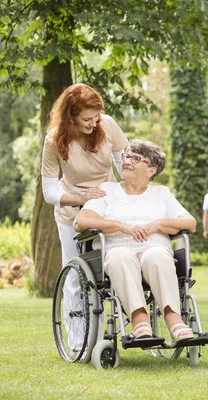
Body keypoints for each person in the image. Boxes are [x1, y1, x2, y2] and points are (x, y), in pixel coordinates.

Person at [74, 140, 196, 344]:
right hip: (116, 249)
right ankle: (140, 320)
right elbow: (81, 221)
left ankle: (174, 320)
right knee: (121, 257)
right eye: (126, 156)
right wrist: (121, 226)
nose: (127, 161)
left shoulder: (161, 194)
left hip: (154, 248)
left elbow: (190, 223)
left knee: (157, 256)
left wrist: (159, 223)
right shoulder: (107, 190)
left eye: (136, 158)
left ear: (151, 170)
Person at [41, 83, 128, 352]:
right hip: (71, 213)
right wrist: (82, 198)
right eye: (86, 119)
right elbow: (49, 190)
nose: (93, 123)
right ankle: (78, 340)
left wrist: (133, 192)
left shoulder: (108, 125)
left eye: (96, 117)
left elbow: (126, 164)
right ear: (71, 117)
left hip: (108, 208)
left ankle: (109, 331)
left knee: (108, 270)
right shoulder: (55, 140)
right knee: (77, 275)